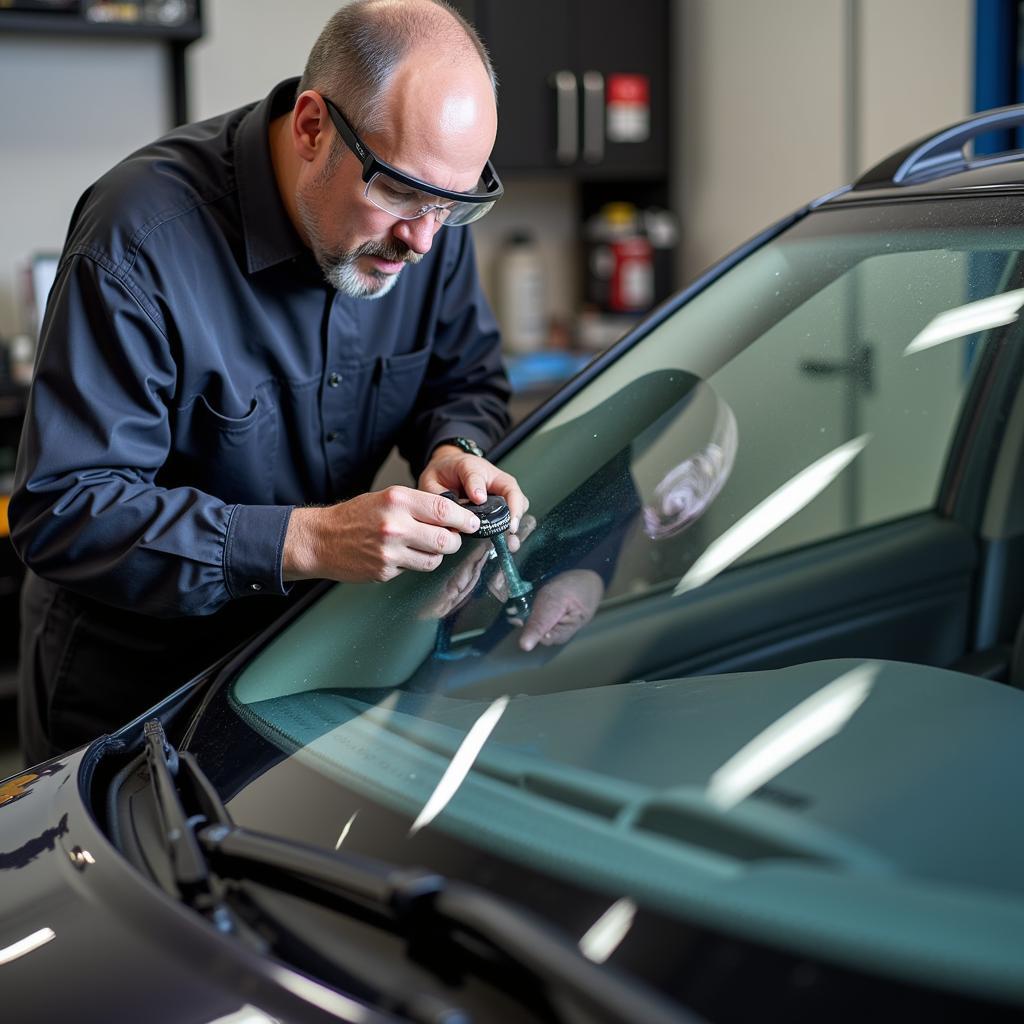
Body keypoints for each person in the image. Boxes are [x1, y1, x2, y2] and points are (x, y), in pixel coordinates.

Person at [9, 0, 528, 766]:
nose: (421, 241)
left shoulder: (424, 225)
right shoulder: (138, 241)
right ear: (313, 127)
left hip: (305, 667)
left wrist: (456, 444)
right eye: (400, 194)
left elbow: (464, 377)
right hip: (132, 696)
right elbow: (65, 509)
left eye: (452, 207)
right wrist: (308, 539)